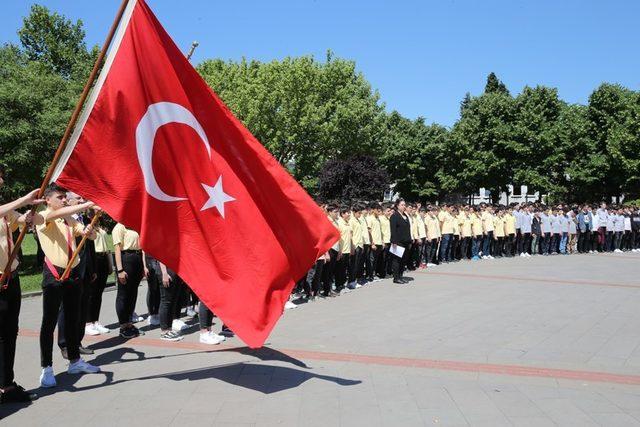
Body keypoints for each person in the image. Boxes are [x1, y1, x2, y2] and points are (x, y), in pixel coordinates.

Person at [37, 184, 100, 388]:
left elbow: (88, 235)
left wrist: (90, 229)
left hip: (73, 273)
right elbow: (63, 212)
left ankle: (75, 361)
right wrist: (88, 203)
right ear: (48, 200)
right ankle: (46, 367)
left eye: (65, 197)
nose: (64, 200)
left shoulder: (68, 218)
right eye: (60, 197)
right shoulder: (43, 216)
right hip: (54, 274)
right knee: (49, 322)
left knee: (74, 319)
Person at [0, 181, 42, 402]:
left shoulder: (7, 210)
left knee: (9, 333)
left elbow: (24, 219)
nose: (2, 181)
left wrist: (30, 215)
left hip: (11, 279)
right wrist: (24, 199)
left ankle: (7, 384)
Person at [112, 222, 144, 338]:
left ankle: (129, 322)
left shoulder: (134, 225)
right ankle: (123, 325)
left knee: (133, 293)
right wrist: (120, 270)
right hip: (127, 259)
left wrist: (143, 266)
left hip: (137, 258)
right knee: (123, 294)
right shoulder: (119, 227)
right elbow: (117, 249)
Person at [84, 216, 112, 336]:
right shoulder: (87, 223)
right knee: (91, 293)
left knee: (99, 293)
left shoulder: (100, 224)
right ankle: (88, 322)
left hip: (104, 257)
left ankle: (95, 321)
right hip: (95, 257)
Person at [155, 260, 185, 341]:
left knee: (173, 301)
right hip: (166, 270)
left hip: (175, 269)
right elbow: (160, 256)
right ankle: (164, 331)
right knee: (166, 301)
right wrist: (164, 273)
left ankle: (169, 329)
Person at [390, 199, 412, 284]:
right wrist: (394, 242)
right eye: (402, 205)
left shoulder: (405, 215)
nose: (404, 206)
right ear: (397, 206)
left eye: (404, 205)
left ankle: (400, 275)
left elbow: (408, 229)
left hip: (406, 241)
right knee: (397, 260)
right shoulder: (394, 216)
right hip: (398, 242)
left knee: (403, 260)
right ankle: (396, 277)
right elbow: (393, 230)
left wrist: (410, 240)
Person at [335, 207, 352, 293]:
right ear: (342, 214)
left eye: (349, 213)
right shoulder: (339, 223)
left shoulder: (347, 223)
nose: (349, 214)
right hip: (341, 250)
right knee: (339, 269)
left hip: (347, 249)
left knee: (344, 269)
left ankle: (342, 285)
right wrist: (339, 250)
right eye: (347, 213)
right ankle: (338, 286)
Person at [348, 206, 364, 289]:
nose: (360, 214)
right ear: (354, 212)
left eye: (361, 213)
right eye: (358, 213)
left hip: (360, 244)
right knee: (353, 265)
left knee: (357, 265)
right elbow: (350, 234)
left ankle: (354, 281)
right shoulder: (351, 221)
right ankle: (351, 282)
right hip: (355, 245)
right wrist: (352, 246)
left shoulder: (358, 221)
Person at [144, 252, 160, 326]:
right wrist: (144, 266)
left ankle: (156, 312)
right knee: (151, 289)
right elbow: (143, 252)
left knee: (158, 290)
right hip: (149, 261)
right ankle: (151, 314)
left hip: (158, 261)